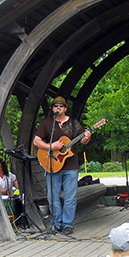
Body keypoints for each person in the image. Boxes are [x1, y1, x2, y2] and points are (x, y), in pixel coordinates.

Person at [33, 96, 91, 235]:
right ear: (53, 109)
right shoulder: (47, 124)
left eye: (60, 106)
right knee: (52, 197)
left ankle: (68, 224)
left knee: (70, 197)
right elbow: (36, 141)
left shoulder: (73, 123)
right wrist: (50, 146)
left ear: (65, 108)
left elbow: (83, 141)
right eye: (55, 106)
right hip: (53, 165)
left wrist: (86, 138)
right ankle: (56, 223)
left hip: (71, 166)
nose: (57, 108)